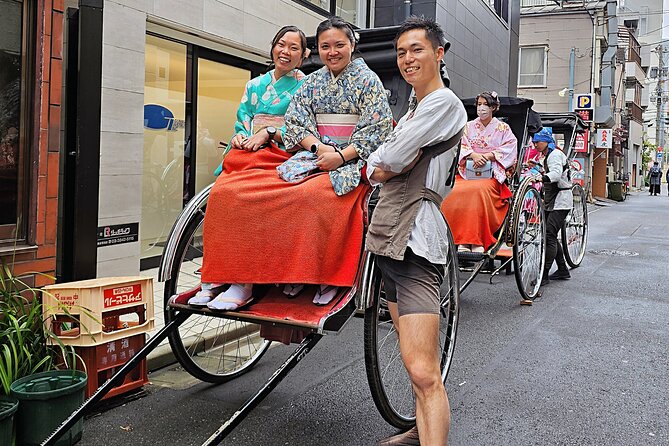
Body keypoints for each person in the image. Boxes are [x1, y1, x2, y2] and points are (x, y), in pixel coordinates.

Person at [195, 17, 393, 310]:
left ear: (352, 45)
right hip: (313, 154)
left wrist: (341, 155)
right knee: (277, 194)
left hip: (352, 157)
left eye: (340, 45)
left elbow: (377, 128)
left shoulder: (367, 81)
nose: (333, 52)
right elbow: (297, 121)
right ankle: (278, 272)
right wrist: (319, 147)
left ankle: (324, 276)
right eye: (326, 46)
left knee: (315, 197)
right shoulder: (313, 82)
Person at [366, 16, 467, 446]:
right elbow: (381, 165)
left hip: (417, 240)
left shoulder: (444, 103)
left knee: (425, 371)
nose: (408, 59)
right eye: (402, 52)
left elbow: (390, 155)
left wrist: (383, 164)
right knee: (412, 361)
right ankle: (417, 431)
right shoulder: (414, 107)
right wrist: (383, 164)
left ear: (438, 53)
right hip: (391, 235)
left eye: (417, 50)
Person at [188, 25, 309, 307]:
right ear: (273, 47)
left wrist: (268, 134)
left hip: (280, 152)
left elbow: (301, 128)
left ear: (303, 55)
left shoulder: (307, 86)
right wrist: (240, 135)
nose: (285, 52)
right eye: (281, 44)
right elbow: (243, 118)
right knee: (221, 196)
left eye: (294, 48)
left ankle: (245, 282)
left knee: (251, 201)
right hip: (248, 151)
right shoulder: (254, 85)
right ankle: (214, 277)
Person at [440, 91, 517, 254]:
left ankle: (476, 239)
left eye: (486, 105)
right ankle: (457, 238)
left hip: (491, 173)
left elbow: (510, 148)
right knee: (452, 191)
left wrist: (488, 156)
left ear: (494, 108)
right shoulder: (468, 127)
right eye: (479, 104)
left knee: (478, 192)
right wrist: (473, 155)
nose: (481, 108)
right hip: (468, 170)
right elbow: (459, 145)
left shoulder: (503, 128)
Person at [532, 127, 573, 286]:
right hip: (553, 200)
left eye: (538, 142)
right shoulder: (549, 155)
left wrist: (540, 178)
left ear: (547, 141)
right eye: (534, 142)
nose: (535, 144)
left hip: (561, 201)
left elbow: (555, 175)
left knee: (549, 235)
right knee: (551, 235)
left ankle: (544, 274)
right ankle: (562, 269)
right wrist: (537, 167)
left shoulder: (555, 154)